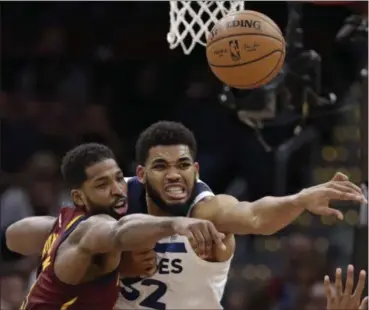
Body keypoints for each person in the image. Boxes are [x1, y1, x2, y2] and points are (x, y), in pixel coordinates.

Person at [116, 121, 367, 310]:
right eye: (160, 166)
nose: (173, 175)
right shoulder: (113, 203)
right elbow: (78, 247)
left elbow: (255, 215)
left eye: (182, 165)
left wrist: (298, 199)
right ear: (141, 173)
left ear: (195, 170)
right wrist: (113, 269)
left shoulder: (207, 210)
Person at [5, 143, 226, 310]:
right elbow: (119, 231)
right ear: (78, 197)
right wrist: (175, 223)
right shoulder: (95, 226)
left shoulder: (65, 222)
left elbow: (13, 236)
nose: (118, 190)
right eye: (102, 184)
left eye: (119, 179)